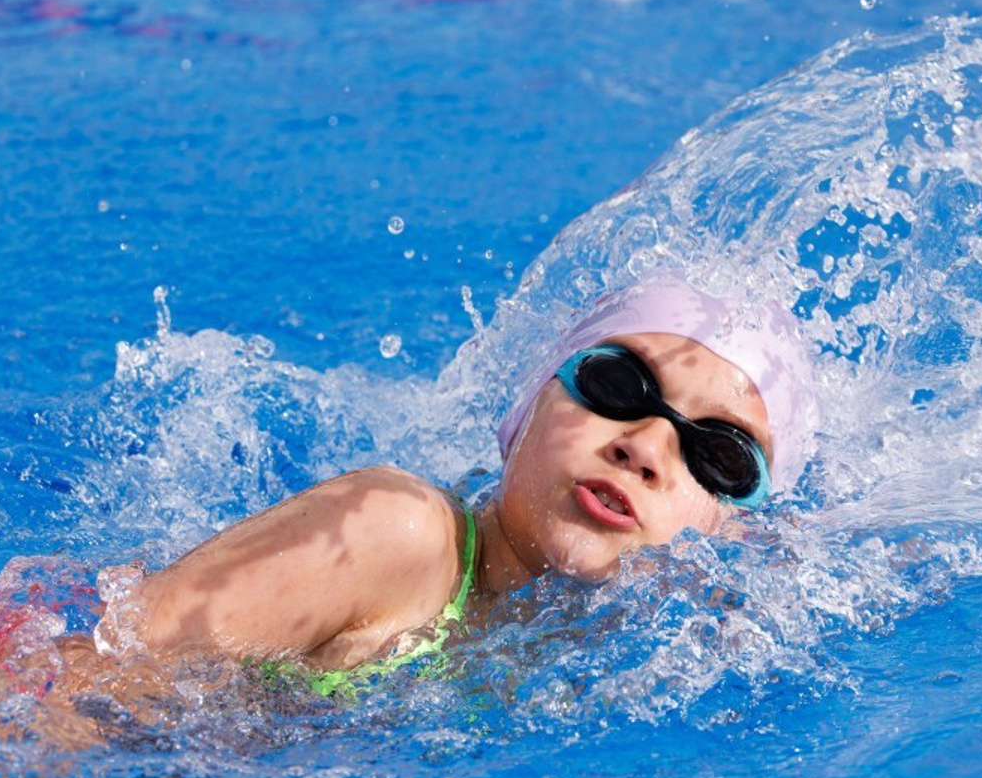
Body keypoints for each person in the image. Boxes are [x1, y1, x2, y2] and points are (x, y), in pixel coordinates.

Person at [89, 271, 818, 685]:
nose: (648, 446)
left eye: (720, 455)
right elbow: (78, 674)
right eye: (618, 385)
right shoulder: (394, 533)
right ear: (527, 408)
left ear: (736, 525)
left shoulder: (637, 658)